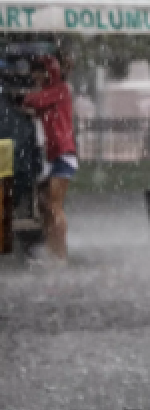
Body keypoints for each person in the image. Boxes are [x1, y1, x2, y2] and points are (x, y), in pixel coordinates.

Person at [22, 56, 77, 262]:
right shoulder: (52, 93)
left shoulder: (59, 90)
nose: (34, 79)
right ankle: (51, 248)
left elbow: (33, 101)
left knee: (54, 206)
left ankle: (60, 253)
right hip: (52, 155)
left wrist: (27, 98)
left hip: (63, 154)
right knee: (44, 205)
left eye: (37, 73)